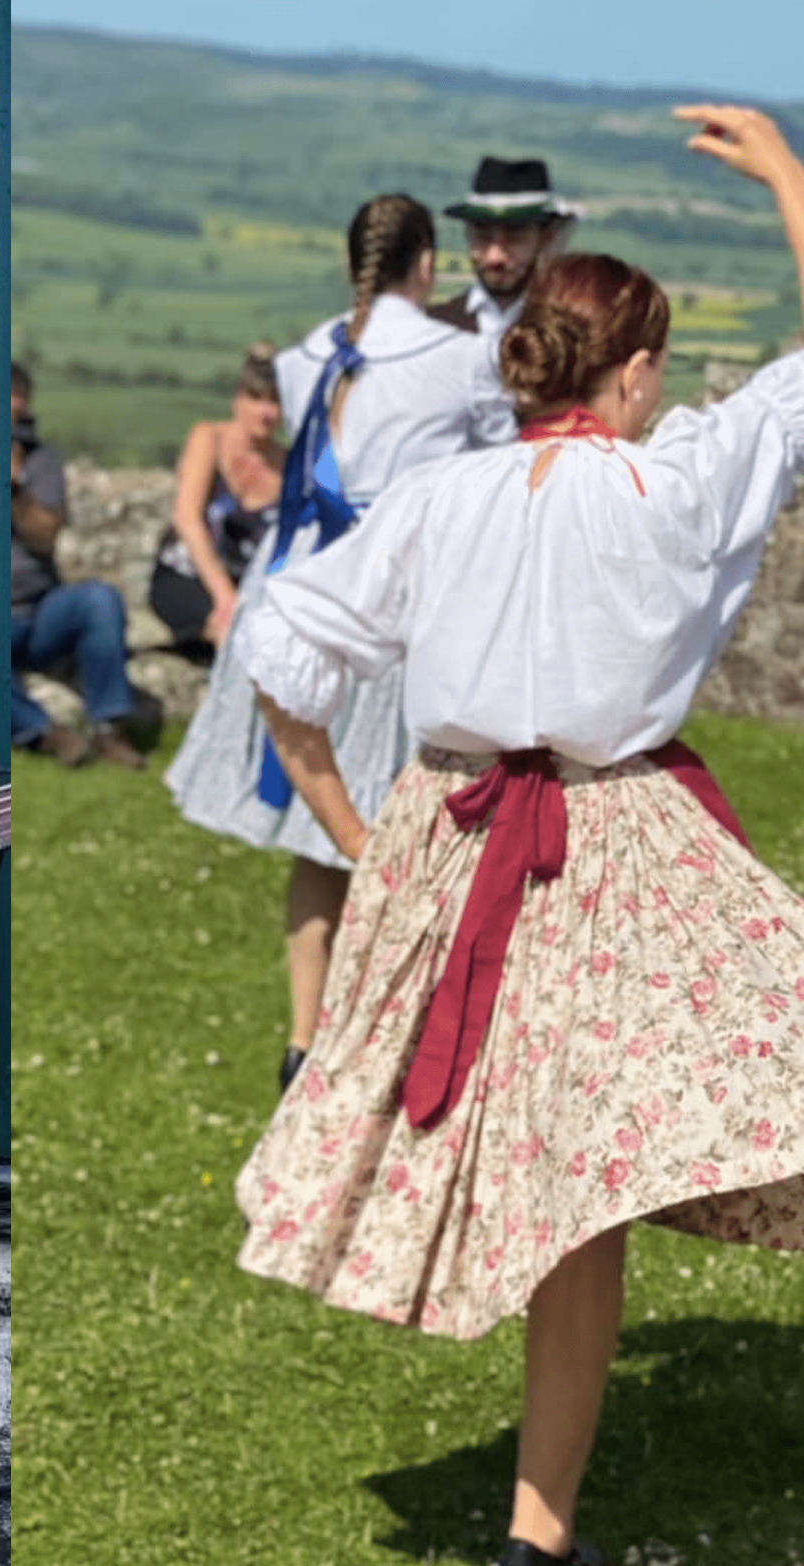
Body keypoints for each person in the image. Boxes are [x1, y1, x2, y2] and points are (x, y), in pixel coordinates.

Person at [227, 109, 804, 1566]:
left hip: (448, 840)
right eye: (658, 368)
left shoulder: (441, 498)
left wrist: (364, 837)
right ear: (634, 373)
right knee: (658, 1152)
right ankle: (538, 1523)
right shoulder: (682, 477)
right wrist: (785, 175)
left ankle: (537, 1523)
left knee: (545, 1172)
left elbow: (280, 650)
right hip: (616, 844)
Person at [166, 193, 514, 1091]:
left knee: (318, 836)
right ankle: (396, 1035)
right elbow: (497, 467)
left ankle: (304, 1038)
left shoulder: (301, 357)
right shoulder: (463, 357)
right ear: (428, 264)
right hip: (394, 603)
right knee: (403, 823)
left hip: (293, 598)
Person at [9, 360, 145, 769]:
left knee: (99, 600)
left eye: (22, 413)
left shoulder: (41, 461)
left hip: (39, 609)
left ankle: (109, 729)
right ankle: (46, 734)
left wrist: (13, 484)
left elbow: (44, 535)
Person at [145, 342, 284, 656]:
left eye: (276, 401)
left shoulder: (288, 468)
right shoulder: (208, 437)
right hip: (189, 575)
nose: (267, 412)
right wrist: (225, 596)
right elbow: (187, 519)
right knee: (234, 630)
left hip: (251, 586)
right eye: (256, 398)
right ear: (237, 398)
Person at [428, 156, 579, 345]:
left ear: (545, 238)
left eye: (514, 238)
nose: (495, 257)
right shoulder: (434, 327)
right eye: (483, 237)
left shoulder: (568, 332)